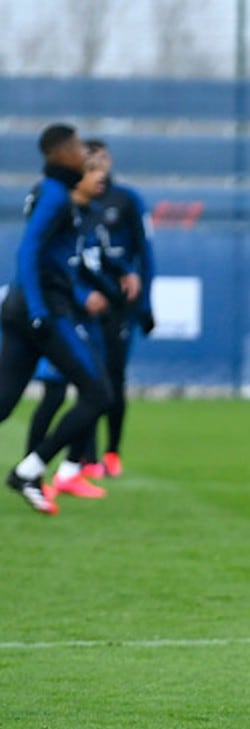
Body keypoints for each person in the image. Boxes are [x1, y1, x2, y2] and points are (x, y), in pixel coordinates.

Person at [0, 123, 116, 514]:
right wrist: (37, 310)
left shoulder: (55, 191)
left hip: (23, 307)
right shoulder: (53, 196)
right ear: (60, 153)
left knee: (3, 402)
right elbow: (27, 252)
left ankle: (32, 472)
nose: (84, 153)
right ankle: (30, 470)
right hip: (43, 309)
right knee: (98, 393)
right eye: (79, 146)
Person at [27, 139, 154, 485]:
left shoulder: (108, 207)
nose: (100, 174)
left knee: (101, 388)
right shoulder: (58, 204)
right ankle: (37, 470)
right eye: (92, 167)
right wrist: (73, 297)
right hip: (56, 312)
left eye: (102, 166)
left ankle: (78, 465)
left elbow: (109, 256)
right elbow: (36, 257)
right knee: (57, 391)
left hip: (92, 313)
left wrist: (130, 281)